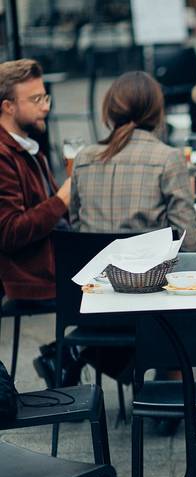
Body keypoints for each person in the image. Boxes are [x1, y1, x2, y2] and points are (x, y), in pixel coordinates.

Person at [0, 59, 81, 385]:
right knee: (122, 294)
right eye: (35, 99)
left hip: (56, 260)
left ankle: (68, 355)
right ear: (7, 106)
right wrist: (62, 199)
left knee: (134, 278)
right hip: (30, 276)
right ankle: (71, 355)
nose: (45, 106)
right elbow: (9, 232)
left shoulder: (31, 148)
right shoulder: (3, 157)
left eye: (45, 97)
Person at [70, 71, 196, 252]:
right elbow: (189, 242)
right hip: (151, 270)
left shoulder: (83, 159)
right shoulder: (168, 159)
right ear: (156, 110)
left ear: (110, 108)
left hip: (94, 268)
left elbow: (76, 227)